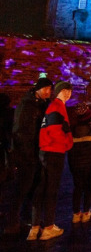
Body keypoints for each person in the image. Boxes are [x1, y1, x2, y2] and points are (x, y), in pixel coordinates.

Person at [4, 77, 52, 235]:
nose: (49, 92)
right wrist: (27, 154)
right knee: (21, 188)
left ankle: (25, 219)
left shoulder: (39, 104)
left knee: (30, 188)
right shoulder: (28, 105)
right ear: (38, 88)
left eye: (50, 89)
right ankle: (12, 223)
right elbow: (22, 132)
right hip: (27, 155)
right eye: (46, 89)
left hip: (34, 153)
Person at [30, 81, 74, 241]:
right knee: (51, 190)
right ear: (58, 92)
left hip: (46, 151)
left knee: (42, 189)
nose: (68, 93)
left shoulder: (54, 106)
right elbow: (56, 132)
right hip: (54, 151)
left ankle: (35, 227)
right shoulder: (57, 106)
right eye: (65, 90)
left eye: (69, 91)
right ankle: (48, 227)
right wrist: (68, 143)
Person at [68, 103, 91, 224]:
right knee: (88, 187)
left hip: (75, 164)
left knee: (77, 188)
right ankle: (86, 212)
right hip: (89, 164)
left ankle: (76, 214)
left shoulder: (72, 130)